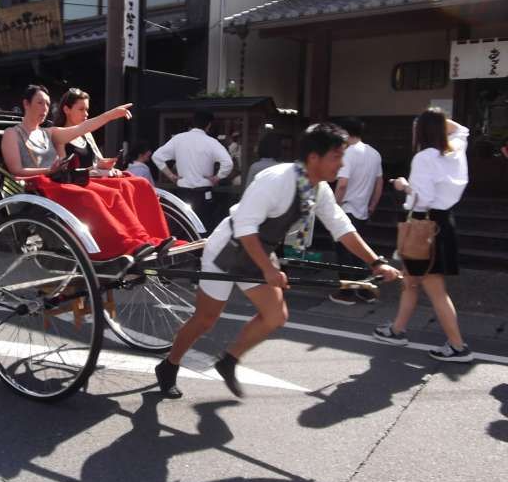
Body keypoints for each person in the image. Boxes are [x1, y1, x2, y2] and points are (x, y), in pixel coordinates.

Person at [154, 123, 401, 399]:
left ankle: (229, 359)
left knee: (275, 316)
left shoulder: (317, 189)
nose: (341, 164)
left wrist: (376, 262)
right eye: (336, 157)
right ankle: (169, 365)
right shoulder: (276, 180)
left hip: (259, 251)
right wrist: (269, 268)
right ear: (313, 158)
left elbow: (342, 228)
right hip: (228, 248)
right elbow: (246, 227)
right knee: (205, 319)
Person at [1, 84, 173, 261]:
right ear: (26, 104)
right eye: (39, 103)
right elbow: (15, 170)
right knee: (91, 197)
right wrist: (49, 170)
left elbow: (82, 128)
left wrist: (110, 116)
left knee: (116, 192)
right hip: (38, 186)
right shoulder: (12, 133)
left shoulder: (49, 132)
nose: (44, 108)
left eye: (47, 104)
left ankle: (145, 239)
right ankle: (123, 245)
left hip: (60, 181)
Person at [373, 109, 473, 363]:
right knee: (410, 280)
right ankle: (397, 329)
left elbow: (421, 199)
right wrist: (437, 119)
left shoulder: (424, 158)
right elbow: (463, 130)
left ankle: (458, 345)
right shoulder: (456, 149)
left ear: (421, 132)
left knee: (433, 287)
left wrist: (403, 185)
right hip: (444, 223)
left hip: (423, 226)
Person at [53, 88, 166, 229]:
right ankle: (134, 233)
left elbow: (98, 160)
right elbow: (64, 171)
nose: (86, 114)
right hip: (78, 182)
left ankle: (152, 231)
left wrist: (106, 164)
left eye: (87, 110)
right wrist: (95, 169)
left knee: (141, 183)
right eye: (81, 109)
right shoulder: (59, 134)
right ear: (66, 109)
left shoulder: (86, 134)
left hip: (97, 177)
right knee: (121, 188)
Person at [330, 118, 383, 305]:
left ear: (344, 133)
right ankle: (366, 290)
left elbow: (342, 184)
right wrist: (372, 205)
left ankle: (346, 293)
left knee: (345, 253)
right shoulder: (374, 153)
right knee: (360, 252)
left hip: (346, 208)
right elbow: (379, 183)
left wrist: (332, 206)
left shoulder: (348, 154)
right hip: (363, 209)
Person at [152, 111, 233, 230]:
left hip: (182, 192)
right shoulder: (211, 142)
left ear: (193, 122)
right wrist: (218, 177)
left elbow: (157, 156)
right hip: (204, 192)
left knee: (183, 226)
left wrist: (171, 175)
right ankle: (200, 248)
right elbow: (228, 163)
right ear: (209, 125)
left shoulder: (179, 139)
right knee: (204, 226)